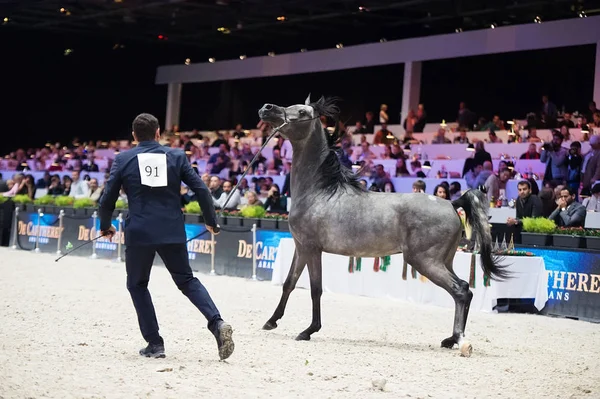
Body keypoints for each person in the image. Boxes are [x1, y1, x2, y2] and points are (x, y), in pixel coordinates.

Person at [98, 113, 234, 360]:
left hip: (139, 231)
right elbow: (202, 190)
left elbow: (107, 198)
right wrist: (211, 221)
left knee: (137, 285)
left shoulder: (123, 159)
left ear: (134, 136)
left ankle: (155, 343)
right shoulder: (176, 155)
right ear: (159, 133)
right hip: (172, 230)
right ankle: (216, 323)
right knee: (187, 280)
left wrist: (106, 225)